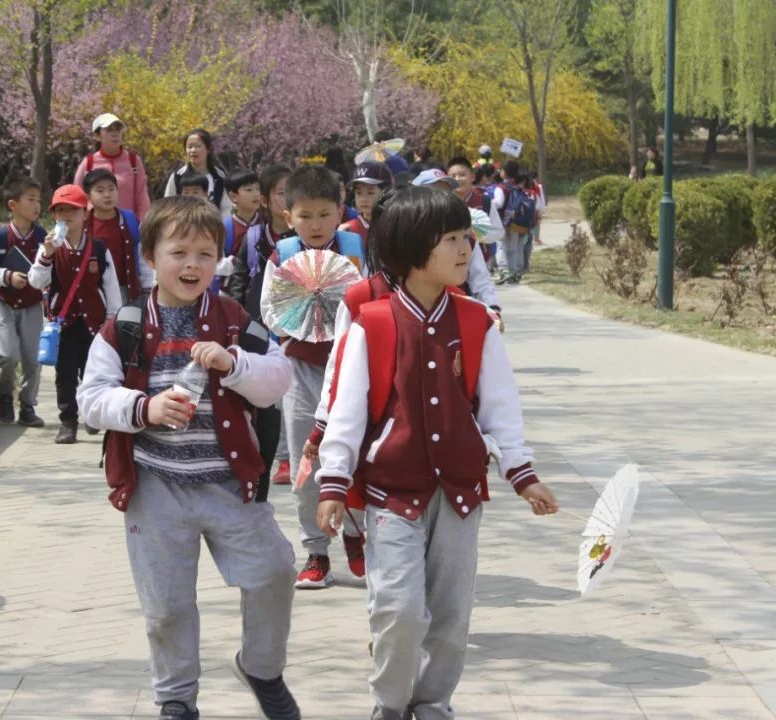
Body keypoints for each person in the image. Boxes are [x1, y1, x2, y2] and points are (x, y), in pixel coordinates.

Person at [314, 186, 559, 720]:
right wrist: (333, 481)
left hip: (460, 496)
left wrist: (523, 474)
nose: (466, 248)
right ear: (411, 248)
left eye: (466, 237)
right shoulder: (373, 322)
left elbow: (500, 407)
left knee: (450, 617)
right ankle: (389, 703)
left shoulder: (477, 322)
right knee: (398, 608)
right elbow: (346, 410)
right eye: (450, 239)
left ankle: (432, 704)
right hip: (391, 494)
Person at [77, 196, 300, 720]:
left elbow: (278, 380)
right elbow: (91, 399)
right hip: (155, 487)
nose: (192, 264)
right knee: (166, 605)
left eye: (205, 253)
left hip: (228, 483)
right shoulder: (127, 324)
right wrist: (144, 408)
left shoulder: (233, 320)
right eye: (178, 252)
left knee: (274, 572)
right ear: (150, 257)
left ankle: (262, 668)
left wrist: (234, 363)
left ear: (219, 259)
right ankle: (176, 698)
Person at [259, 165, 368, 589]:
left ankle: (357, 535)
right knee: (307, 460)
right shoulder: (282, 257)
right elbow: (270, 312)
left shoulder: (357, 252)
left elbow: (372, 302)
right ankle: (316, 551)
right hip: (301, 370)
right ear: (289, 217)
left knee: (357, 455)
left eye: (325, 214)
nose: (316, 225)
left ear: (340, 211)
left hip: (352, 369)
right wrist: (302, 319)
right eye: (306, 216)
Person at [28, 184, 122, 444]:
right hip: (64, 323)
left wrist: (111, 320)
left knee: (94, 372)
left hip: (95, 322)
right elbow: (36, 281)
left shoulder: (99, 249)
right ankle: (67, 421)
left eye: (72, 210)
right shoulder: (49, 248)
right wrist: (47, 255)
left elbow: (111, 287)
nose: (66, 216)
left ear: (84, 214)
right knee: (66, 374)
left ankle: (93, 415)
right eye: (60, 211)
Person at [225, 164, 296, 490]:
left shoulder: (302, 238)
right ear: (265, 199)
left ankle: (290, 455)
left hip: (294, 324)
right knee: (268, 396)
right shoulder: (255, 237)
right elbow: (240, 278)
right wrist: (237, 317)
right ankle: (275, 455)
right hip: (258, 324)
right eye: (280, 193)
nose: (287, 198)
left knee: (291, 392)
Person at [0, 178, 48, 428]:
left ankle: (28, 406)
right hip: (2, 303)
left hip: (32, 304)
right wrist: (7, 277)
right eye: (30, 199)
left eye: (39, 200)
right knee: (7, 356)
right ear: (13, 205)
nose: (36, 205)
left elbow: (49, 270)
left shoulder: (42, 237)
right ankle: (5, 396)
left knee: (33, 359)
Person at [413, 169, 500, 315]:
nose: (443, 199)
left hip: (458, 314)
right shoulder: (406, 237)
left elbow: (481, 280)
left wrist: (493, 308)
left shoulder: (467, 239)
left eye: (447, 193)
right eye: (435, 193)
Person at [82, 168, 154, 303]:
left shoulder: (129, 219)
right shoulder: (83, 225)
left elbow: (141, 253)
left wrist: (147, 286)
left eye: (111, 189)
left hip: (127, 290)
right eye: (100, 191)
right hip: (96, 294)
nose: (107, 195)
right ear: (88, 197)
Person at [73, 113, 151, 220]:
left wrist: (142, 224)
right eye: (109, 130)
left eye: (118, 130)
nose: (115, 134)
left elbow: (142, 197)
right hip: (95, 225)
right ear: (97, 136)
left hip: (127, 224)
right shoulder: (88, 163)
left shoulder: (133, 161)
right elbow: (77, 197)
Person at [164, 129, 232, 213]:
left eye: (198, 146)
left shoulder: (219, 177)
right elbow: (168, 205)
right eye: (189, 147)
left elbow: (226, 209)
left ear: (208, 149)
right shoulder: (177, 176)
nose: (193, 150)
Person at [340, 161, 393, 252]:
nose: (363, 199)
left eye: (370, 193)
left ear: (387, 192)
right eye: (358, 193)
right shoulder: (347, 230)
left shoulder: (396, 226)